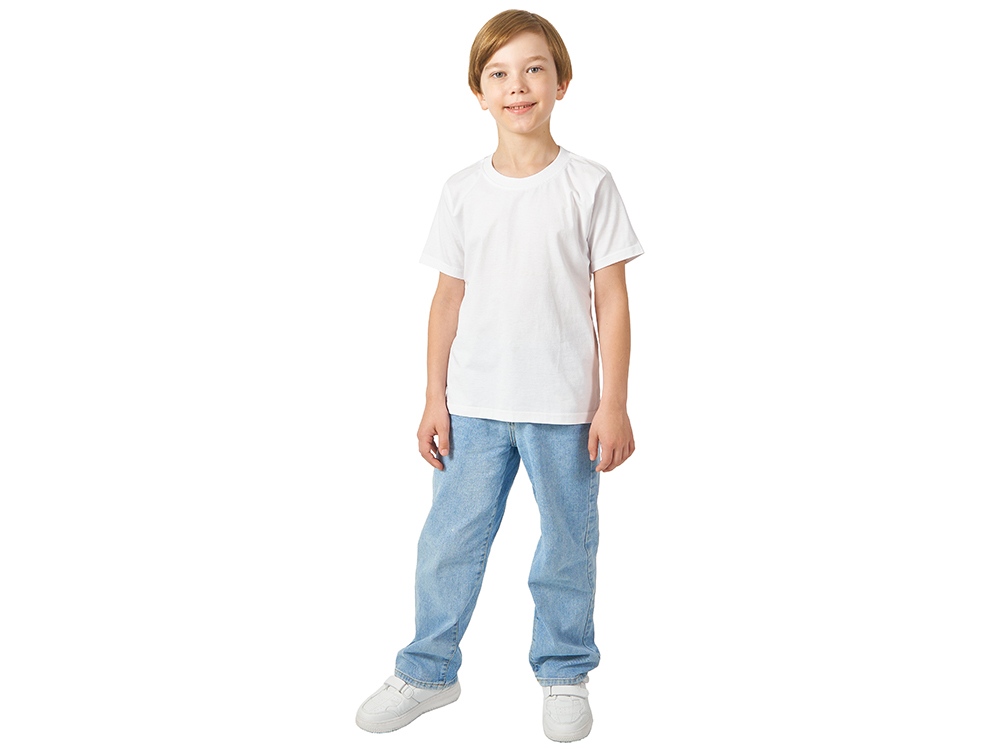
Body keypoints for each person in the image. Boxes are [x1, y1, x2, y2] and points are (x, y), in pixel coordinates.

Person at [356, 9, 643, 743]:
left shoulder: (589, 183)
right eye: (500, 74)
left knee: (567, 546)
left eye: (534, 69)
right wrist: (433, 397)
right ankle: (428, 670)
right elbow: (446, 298)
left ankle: (564, 670)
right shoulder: (462, 190)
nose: (518, 86)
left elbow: (611, 298)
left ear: (561, 82)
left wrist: (614, 403)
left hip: (566, 407)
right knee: (448, 544)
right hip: (475, 404)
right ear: (479, 93)